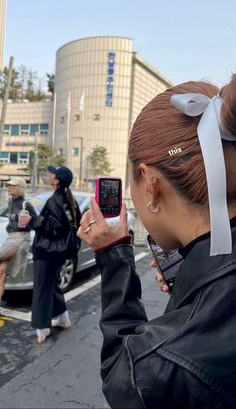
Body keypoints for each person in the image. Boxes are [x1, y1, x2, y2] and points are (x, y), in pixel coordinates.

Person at [78, 74, 236, 408]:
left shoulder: (168, 363)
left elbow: (125, 374)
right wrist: (194, 283)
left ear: (150, 183)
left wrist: (113, 257)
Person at [29, 166, 82, 344]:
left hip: (46, 252)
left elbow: (51, 228)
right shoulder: (70, 200)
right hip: (61, 252)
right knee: (50, 284)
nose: (50, 176)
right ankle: (62, 317)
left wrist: (33, 219)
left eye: (52, 174)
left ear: (57, 180)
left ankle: (42, 328)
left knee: (42, 287)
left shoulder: (54, 201)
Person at [0, 177, 37, 307]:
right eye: (9, 185)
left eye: (13, 185)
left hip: (20, 239)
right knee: (1, 272)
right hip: (11, 237)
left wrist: (29, 221)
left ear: (19, 188)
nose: (9, 187)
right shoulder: (10, 202)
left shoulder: (26, 205)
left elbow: (37, 222)